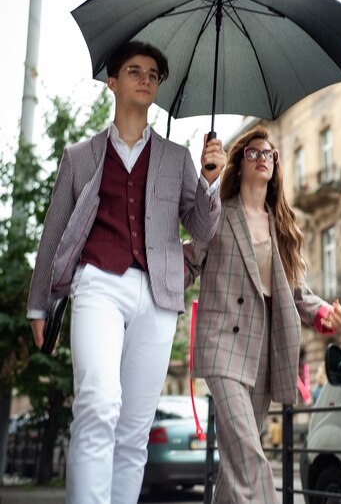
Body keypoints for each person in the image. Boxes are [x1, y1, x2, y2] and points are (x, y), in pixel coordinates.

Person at [26, 40, 227, 504]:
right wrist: (39, 303)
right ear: (112, 82)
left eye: (154, 74)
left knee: (135, 427)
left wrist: (210, 184)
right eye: (135, 70)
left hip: (157, 295)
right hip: (98, 282)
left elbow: (199, 229)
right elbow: (53, 233)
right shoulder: (80, 156)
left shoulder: (177, 158)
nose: (145, 78)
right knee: (98, 403)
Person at [184, 125, 341, 504]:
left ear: (275, 165)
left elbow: (294, 291)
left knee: (235, 464)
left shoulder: (282, 226)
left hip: (262, 354)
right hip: (222, 347)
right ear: (238, 164)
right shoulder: (219, 214)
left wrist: (322, 311)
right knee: (249, 454)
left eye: (268, 154)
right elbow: (189, 260)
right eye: (252, 153)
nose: (261, 158)